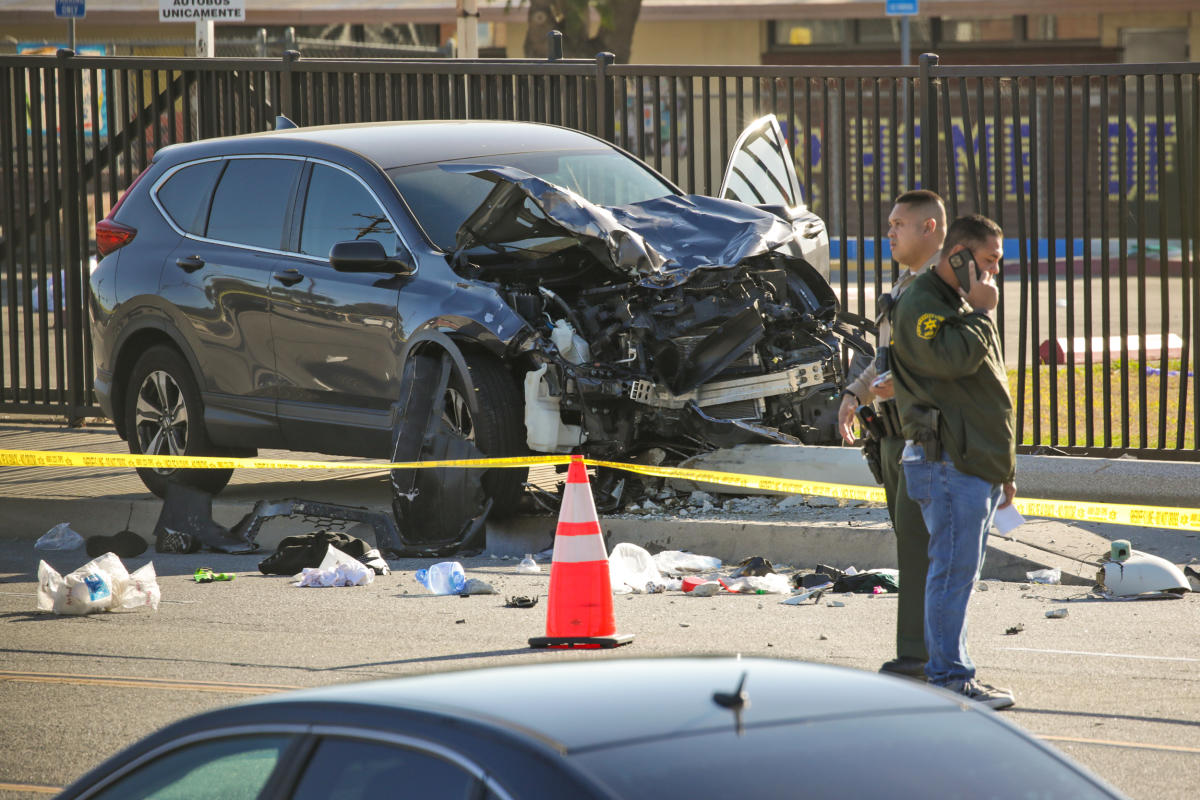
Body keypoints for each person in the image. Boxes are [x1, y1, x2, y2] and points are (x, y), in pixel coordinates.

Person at [888, 213, 1017, 709]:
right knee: (951, 573)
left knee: (960, 574)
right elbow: (952, 361)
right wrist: (982, 313)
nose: (993, 274)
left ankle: (955, 673)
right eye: (987, 262)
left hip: (972, 462)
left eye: (997, 263)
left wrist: (1004, 471)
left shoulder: (957, 303)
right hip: (946, 463)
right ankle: (948, 679)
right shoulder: (923, 302)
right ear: (958, 255)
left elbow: (987, 394)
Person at [837, 189, 945, 680]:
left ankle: (922, 656)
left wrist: (893, 386)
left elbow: (946, 363)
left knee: (926, 553)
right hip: (893, 438)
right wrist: (855, 394)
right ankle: (915, 652)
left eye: (899, 224)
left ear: (930, 228)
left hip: (927, 439)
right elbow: (885, 359)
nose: (889, 233)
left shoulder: (944, 288)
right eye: (889, 224)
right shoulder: (903, 286)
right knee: (910, 549)